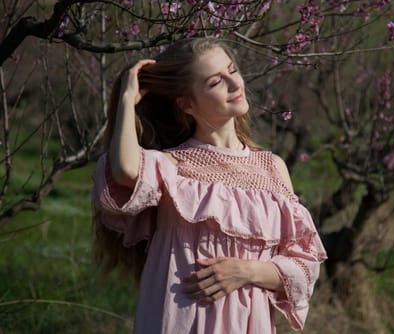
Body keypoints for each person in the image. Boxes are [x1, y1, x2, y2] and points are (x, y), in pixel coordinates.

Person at [92, 37, 327, 334]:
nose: (234, 83)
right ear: (186, 104)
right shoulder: (173, 167)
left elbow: (303, 267)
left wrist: (246, 272)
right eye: (216, 82)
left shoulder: (272, 168)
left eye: (233, 70)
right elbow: (125, 170)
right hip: (181, 318)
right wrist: (126, 98)